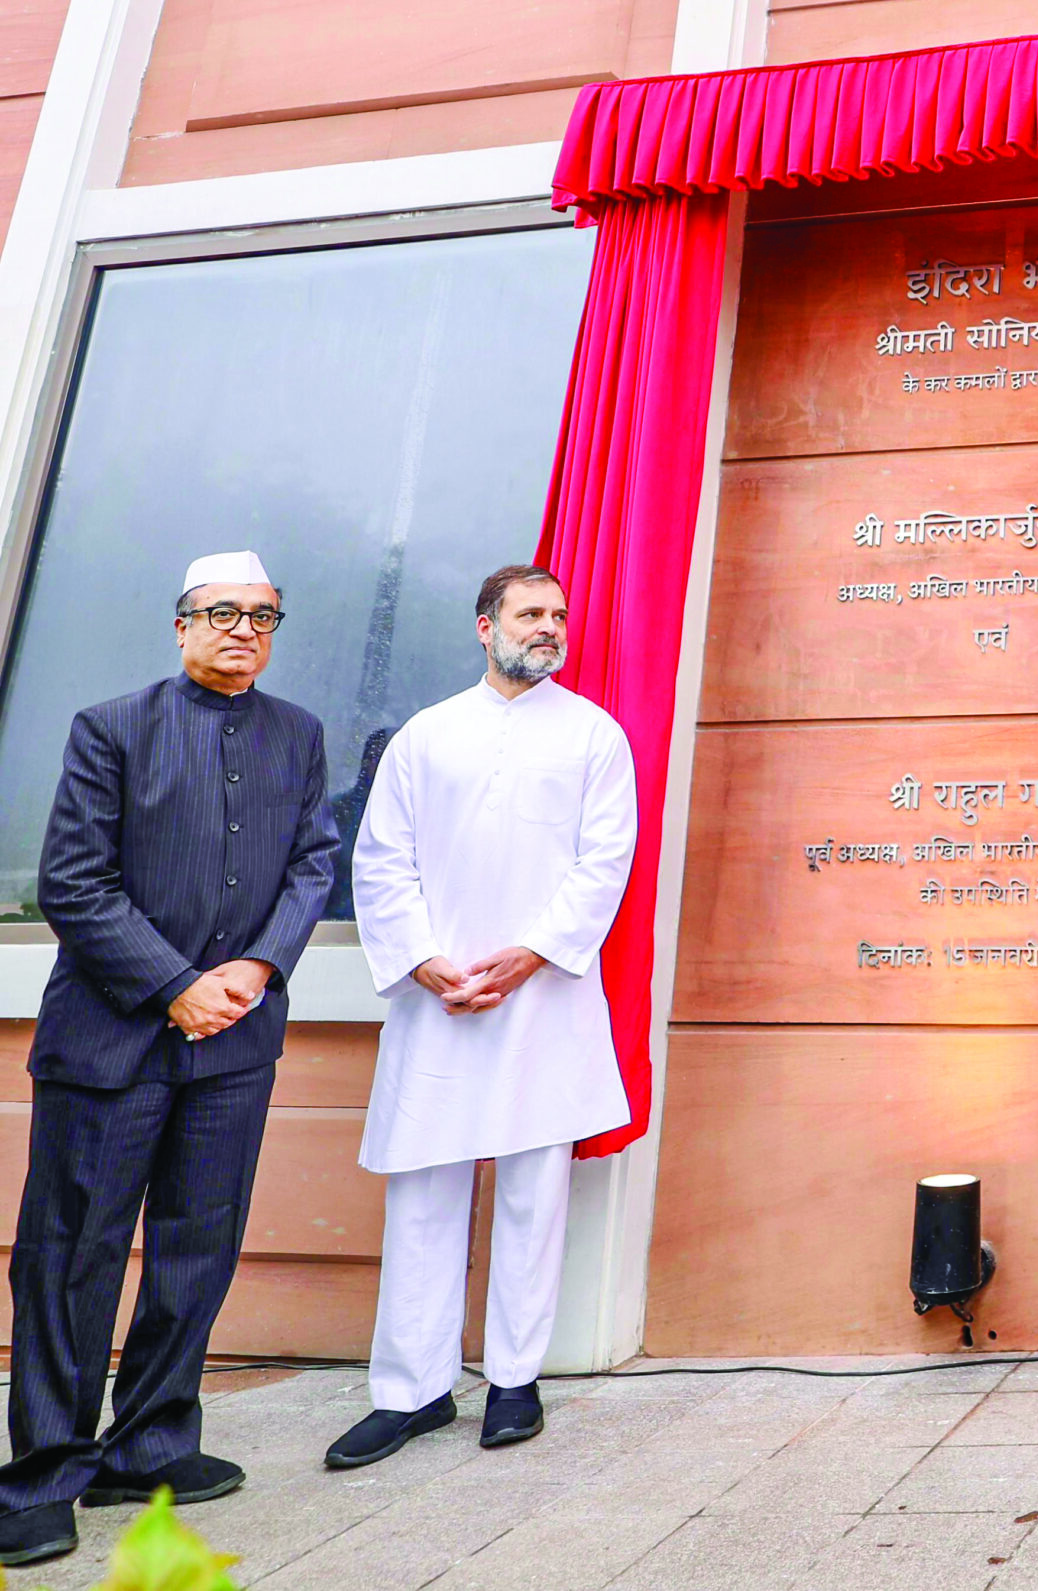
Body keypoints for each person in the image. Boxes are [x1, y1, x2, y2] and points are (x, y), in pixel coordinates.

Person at [0, 553, 336, 1567]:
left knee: (199, 1244)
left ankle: (148, 1442)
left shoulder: (300, 735)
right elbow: (74, 884)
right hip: (111, 1040)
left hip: (235, 1042)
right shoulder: (112, 729)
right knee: (73, 1253)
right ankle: (43, 1474)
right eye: (223, 613)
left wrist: (258, 967)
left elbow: (314, 860)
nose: (244, 629)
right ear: (181, 624)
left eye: (263, 616)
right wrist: (178, 984)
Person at [326, 564, 636, 1469]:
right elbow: (380, 862)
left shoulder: (594, 736)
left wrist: (529, 954)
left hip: (543, 997)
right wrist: (426, 964)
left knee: (534, 1193)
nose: (548, 627)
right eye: (530, 613)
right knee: (424, 1191)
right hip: (441, 1000)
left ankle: (513, 1381)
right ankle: (411, 1391)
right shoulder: (427, 736)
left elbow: (603, 863)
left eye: (558, 615)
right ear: (483, 625)